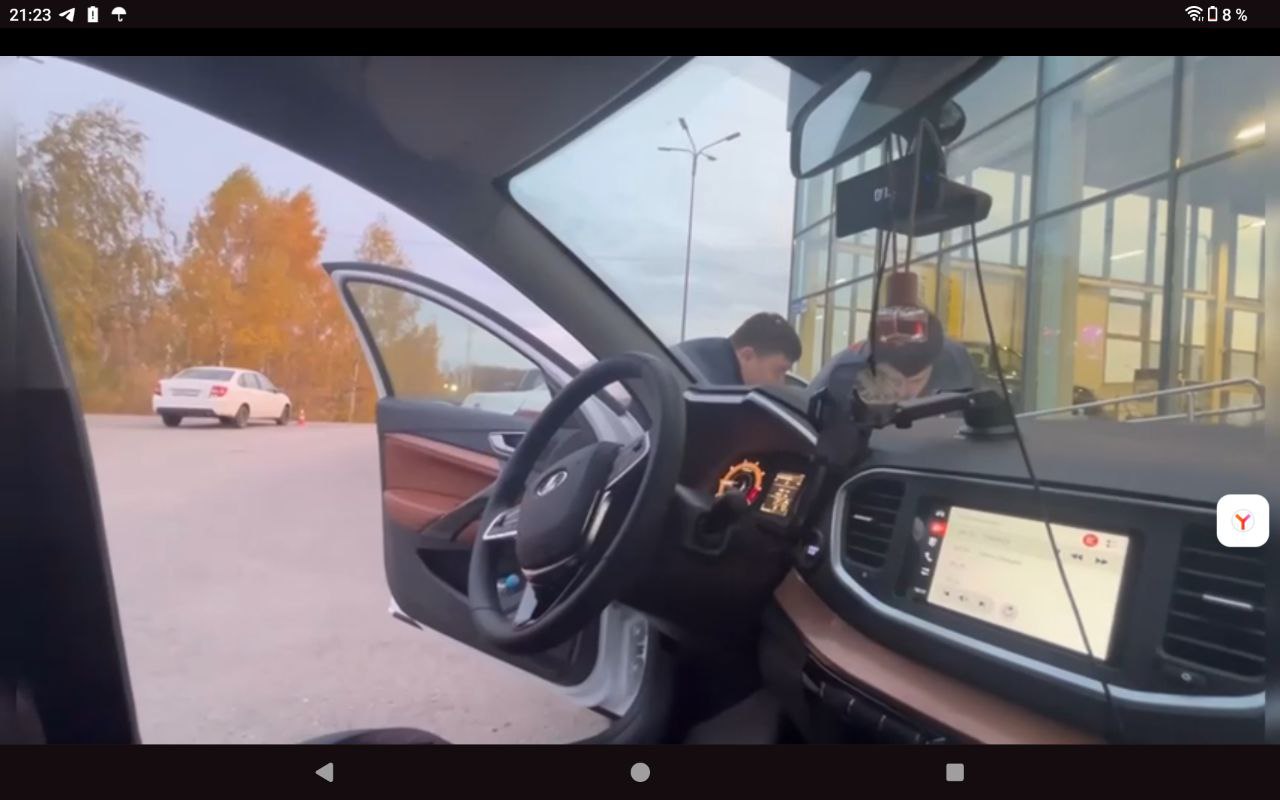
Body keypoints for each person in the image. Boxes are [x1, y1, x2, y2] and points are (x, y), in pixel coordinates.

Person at [812, 309, 979, 404]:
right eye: (892, 380)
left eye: (916, 381)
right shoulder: (836, 380)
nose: (904, 392)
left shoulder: (958, 364)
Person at [675, 312, 802, 387]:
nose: (781, 384)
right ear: (747, 356)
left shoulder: (699, 357)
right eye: (779, 371)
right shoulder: (717, 390)